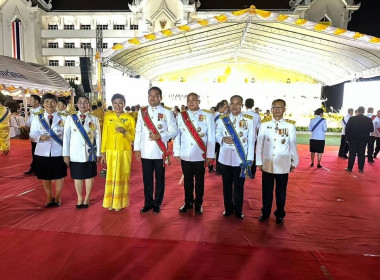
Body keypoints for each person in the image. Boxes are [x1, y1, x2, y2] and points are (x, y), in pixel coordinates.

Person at [134, 87, 177, 214]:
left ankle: (157, 203)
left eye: (155, 95)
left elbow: (174, 130)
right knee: (147, 179)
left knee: (159, 179)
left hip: (160, 151)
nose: (152, 98)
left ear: (160, 97)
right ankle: (148, 203)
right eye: (150, 95)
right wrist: (137, 148)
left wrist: (160, 136)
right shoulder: (142, 112)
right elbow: (138, 131)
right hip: (146, 151)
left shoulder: (167, 112)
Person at [256, 99, 299, 225]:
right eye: (275, 107)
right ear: (271, 109)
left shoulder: (290, 126)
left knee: (281, 192)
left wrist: (294, 162)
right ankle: (265, 212)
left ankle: (280, 214)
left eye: (280, 107)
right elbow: (259, 145)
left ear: (284, 110)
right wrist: (259, 161)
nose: (277, 110)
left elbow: (292, 145)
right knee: (267, 191)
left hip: (283, 164)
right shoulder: (264, 124)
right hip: (268, 164)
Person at [173, 93, 215, 214]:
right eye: (189, 100)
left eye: (194, 100)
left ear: (199, 101)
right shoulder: (181, 116)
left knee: (200, 182)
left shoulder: (207, 115)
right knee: (187, 181)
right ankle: (188, 203)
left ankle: (198, 204)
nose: (191, 102)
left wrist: (210, 155)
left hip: (200, 154)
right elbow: (178, 135)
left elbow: (211, 136)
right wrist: (177, 151)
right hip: (186, 154)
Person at [216, 95, 255, 219]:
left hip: (240, 159)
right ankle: (228, 208)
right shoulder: (222, 119)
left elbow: (251, 140)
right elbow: (217, 133)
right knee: (226, 185)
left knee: (239, 186)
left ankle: (238, 209)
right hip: (225, 158)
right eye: (232, 103)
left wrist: (249, 159)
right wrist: (222, 138)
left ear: (242, 105)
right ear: (229, 105)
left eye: (237, 103)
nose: (234, 106)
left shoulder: (249, 120)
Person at [63, 96, 101, 209]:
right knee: (78, 177)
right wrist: (66, 154)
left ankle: (87, 197)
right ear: (77, 105)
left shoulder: (94, 119)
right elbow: (66, 137)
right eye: (80, 102)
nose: (83, 104)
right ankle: (79, 197)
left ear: (89, 104)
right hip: (75, 153)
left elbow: (98, 137)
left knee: (89, 176)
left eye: (85, 102)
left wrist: (98, 153)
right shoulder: (70, 118)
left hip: (90, 153)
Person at [29, 93, 67, 207]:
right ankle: (49, 197)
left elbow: (68, 136)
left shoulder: (64, 117)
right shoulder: (37, 117)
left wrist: (67, 153)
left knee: (59, 175)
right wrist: (40, 137)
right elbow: (32, 133)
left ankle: (58, 197)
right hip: (43, 150)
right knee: (45, 176)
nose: (49, 104)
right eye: (46, 102)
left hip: (59, 151)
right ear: (43, 104)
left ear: (57, 104)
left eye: (52, 102)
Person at [101, 94, 135, 211]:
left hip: (124, 151)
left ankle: (119, 203)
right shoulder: (108, 117)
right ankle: (110, 202)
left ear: (124, 104)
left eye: (120, 103)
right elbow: (104, 135)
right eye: (115, 103)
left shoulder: (130, 118)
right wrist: (103, 152)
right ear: (112, 104)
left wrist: (125, 132)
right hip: (110, 151)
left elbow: (133, 137)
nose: (118, 105)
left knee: (122, 176)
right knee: (110, 176)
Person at [345, 106, 374, 173]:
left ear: (357, 111)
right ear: (364, 112)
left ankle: (349, 168)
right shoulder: (368, 119)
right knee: (361, 154)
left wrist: (348, 138)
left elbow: (347, 129)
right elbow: (371, 129)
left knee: (352, 154)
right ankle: (361, 169)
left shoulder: (352, 119)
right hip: (363, 140)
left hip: (352, 139)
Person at [25, 95, 44, 175]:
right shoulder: (32, 110)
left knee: (39, 152)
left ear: (37, 101)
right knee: (34, 152)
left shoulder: (42, 111)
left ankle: (39, 168)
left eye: (32, 100)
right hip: (33, 134)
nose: (30, 101)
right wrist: (27, 125)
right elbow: (30, 120)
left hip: (39, 135)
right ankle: (34, 167)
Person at [244, 98, 261, 178]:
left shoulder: (242, 114)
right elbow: (258, 127)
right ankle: (252, 173)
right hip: (253, 137)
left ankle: (242, 170)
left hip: (242, 137)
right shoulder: (257, 115)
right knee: (252, 154)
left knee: (242, 153)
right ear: (253, 105)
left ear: (244, 105)